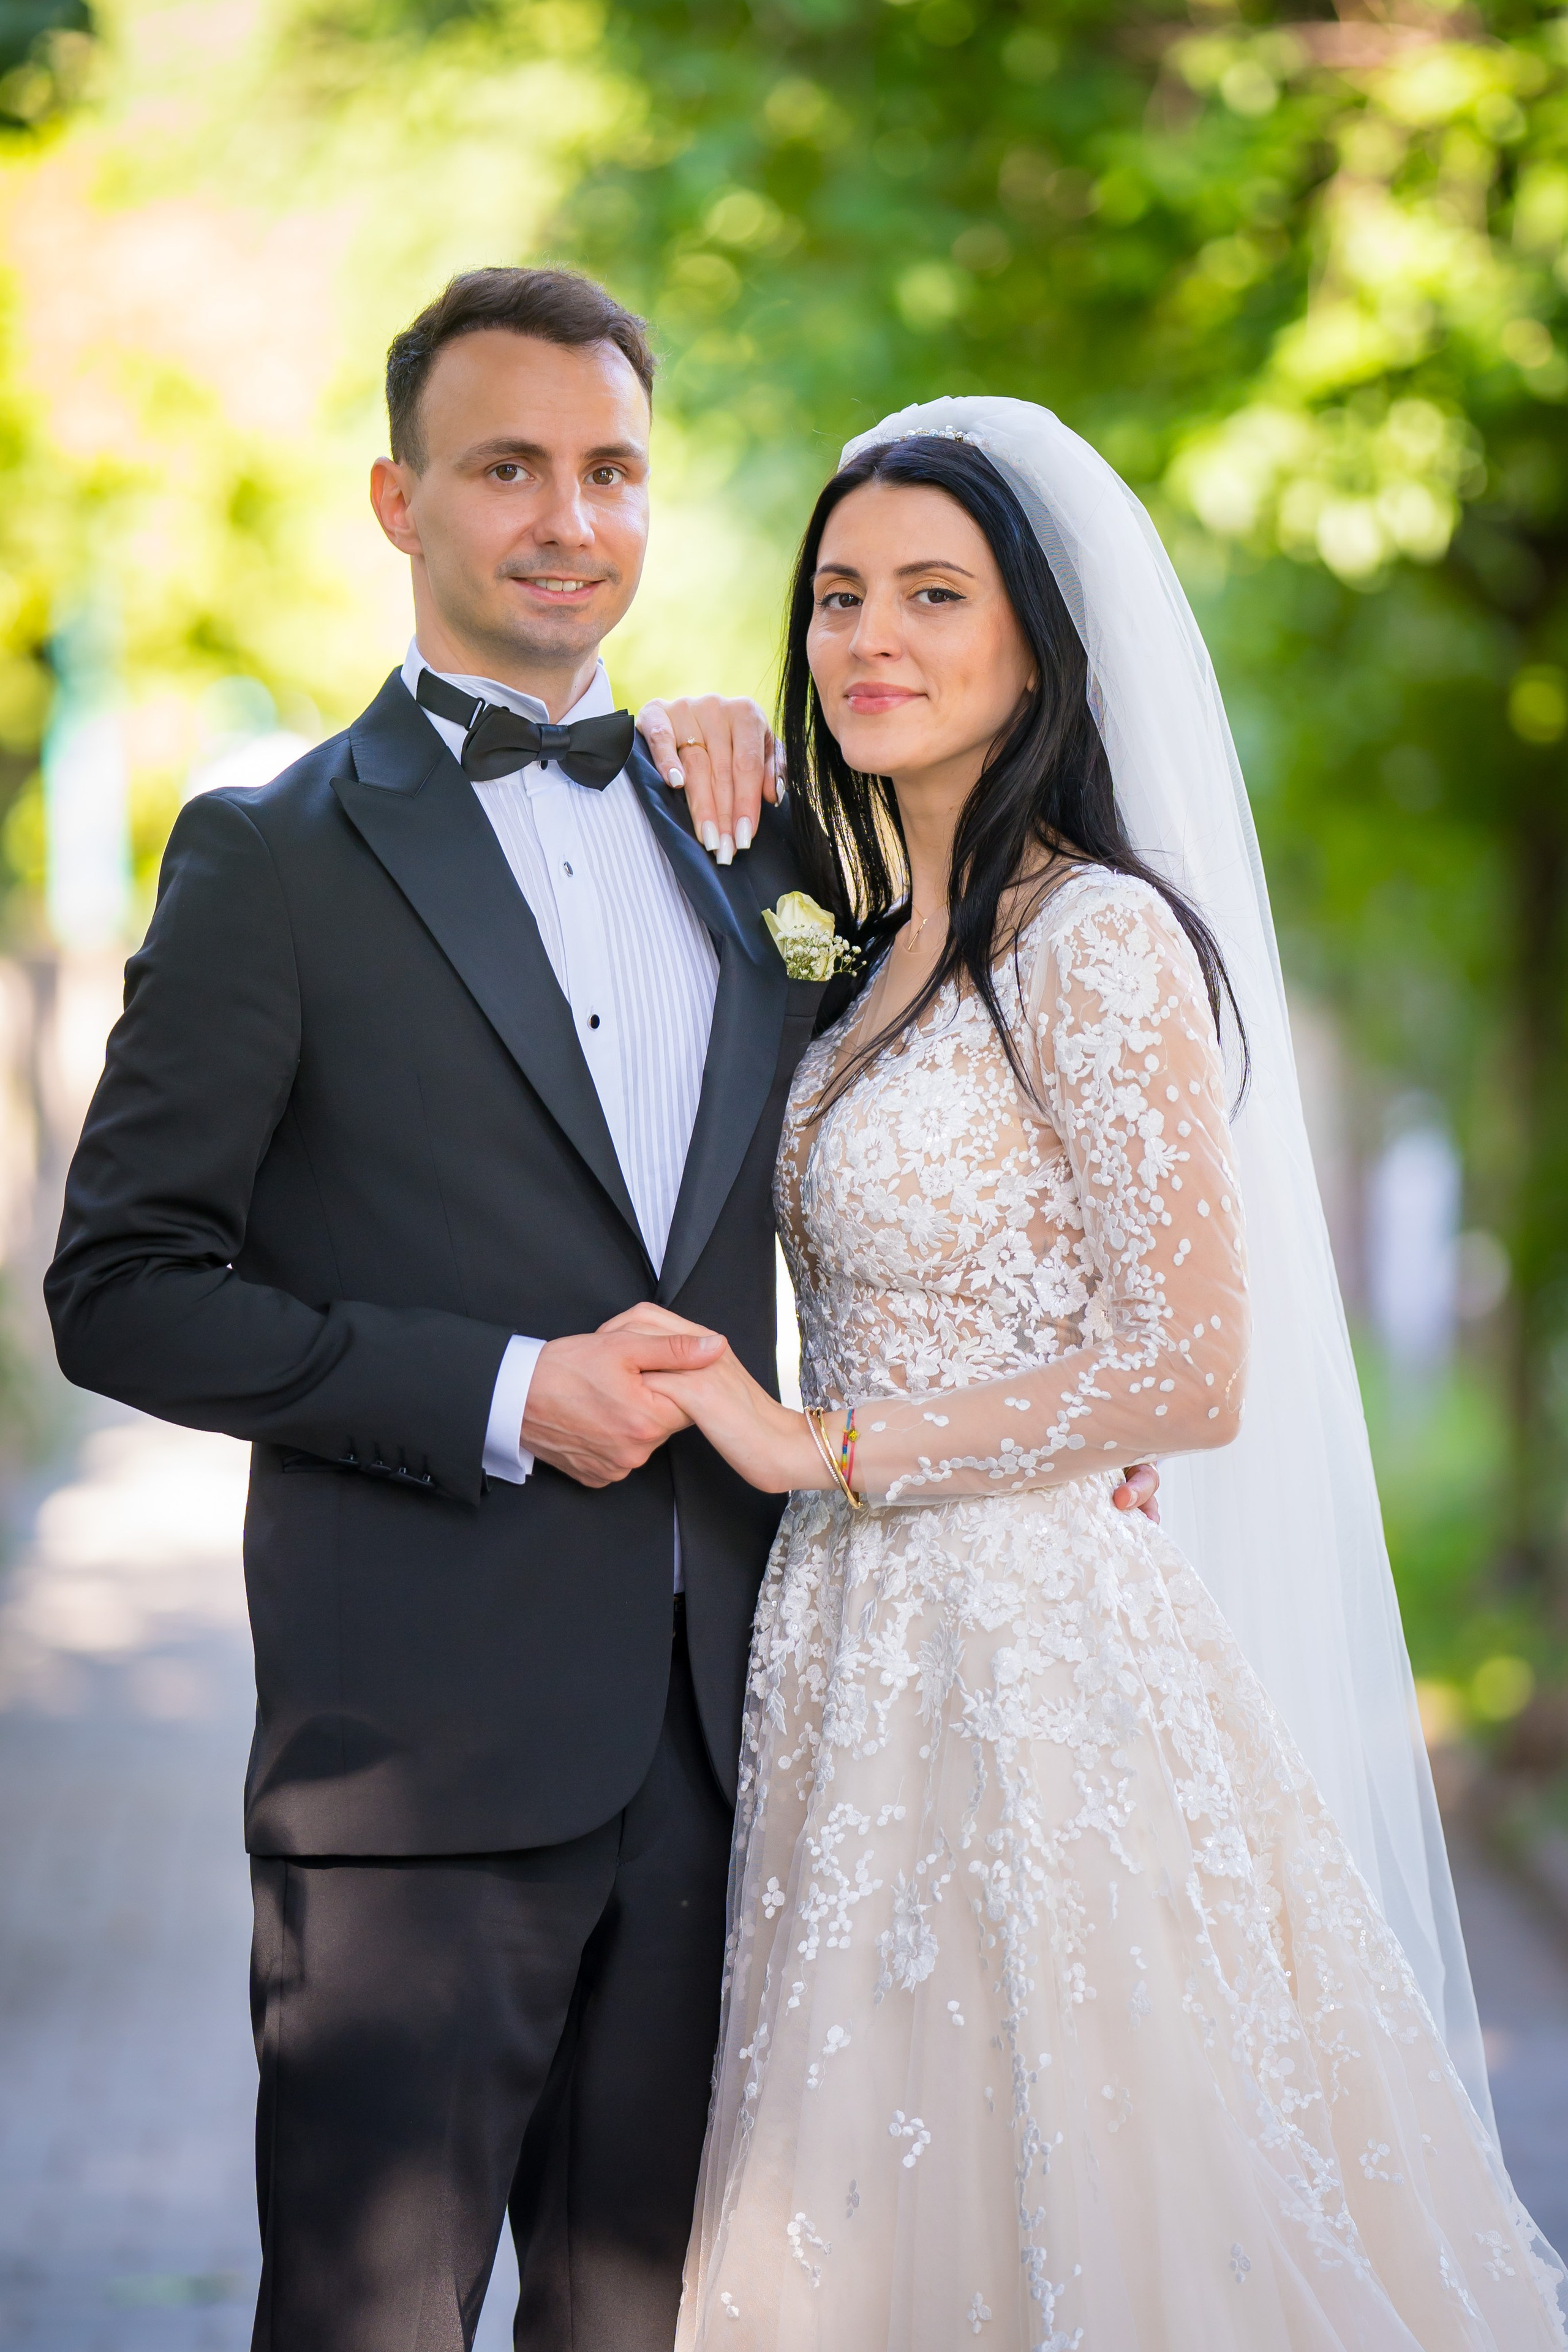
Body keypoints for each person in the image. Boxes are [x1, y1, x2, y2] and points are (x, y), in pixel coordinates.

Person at [36, 263, 1164, 2351]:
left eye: (614, 470)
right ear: (399, 502)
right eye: (508, 469)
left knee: (646, 2328)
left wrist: (1063, 1427)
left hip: (752, 1748)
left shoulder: (761, 839)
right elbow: (121, 1293)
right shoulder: (269, 856)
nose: (570, 519)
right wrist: (495, 1390)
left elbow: (966, 1143)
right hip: (415, 1768)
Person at [632, 402, 1568, 2348]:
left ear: (1040, 646)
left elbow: (1189, 1368)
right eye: (836, 598)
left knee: (1094, 2183)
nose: (868, 637)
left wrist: (821, 1439)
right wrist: (687, 736)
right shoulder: (874, 942)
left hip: (1034, 1651)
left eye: (933, 596)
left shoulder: (1093, 937)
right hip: (848, 1645)